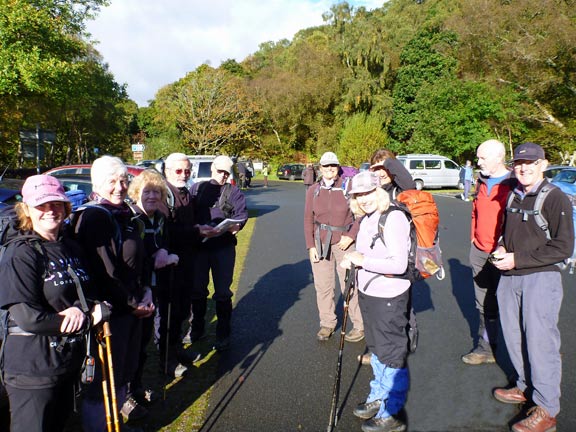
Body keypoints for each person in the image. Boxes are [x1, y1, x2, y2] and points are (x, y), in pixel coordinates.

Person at [0, 175, 105, 432]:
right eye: (41, 204)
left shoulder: (69, 247)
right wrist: (86, 318)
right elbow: (28, 317)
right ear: (26, 209)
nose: (50, 210)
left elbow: (86, 293)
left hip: (67, 362)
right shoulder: (20, 254)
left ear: (66, 207)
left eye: (56, 203)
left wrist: (97, 307)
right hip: (32, 369)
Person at [491, 142, 573, 432]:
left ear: (544, 164)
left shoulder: (555, 198)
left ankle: (547, 409)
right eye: (519, 163)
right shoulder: (514, 195)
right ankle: (526, 387)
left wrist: (518, 258)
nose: (523, 167)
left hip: (541, 278)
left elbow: (563, 247)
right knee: (514, 338)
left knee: (541, 344)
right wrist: (501, 247)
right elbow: (506, 233)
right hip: (510, 277)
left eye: (531, 162)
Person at [74, 156, 155, 431]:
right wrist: (133, 304)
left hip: (131, 309)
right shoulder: (94, 216)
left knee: (123, 372)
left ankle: (116, 423)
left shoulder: (125, 215)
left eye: (123, 180)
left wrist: (146, 292)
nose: (120, 187)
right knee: (102, 380)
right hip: (109, 315)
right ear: (97, 184)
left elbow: (140, 260)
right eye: (112, 181)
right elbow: (106, 274)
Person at [342, 171, 411, 432]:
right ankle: (379, 395)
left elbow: (398, 263)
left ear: (379, 191)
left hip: (389, 296)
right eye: (358, 195)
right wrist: (353, 259)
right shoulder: (369, 219)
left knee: (391, 353)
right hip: (371, 293)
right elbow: (367, 253)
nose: (364, 199)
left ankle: (392, 412)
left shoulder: (392, 218)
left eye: (368, 193)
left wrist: (362, 260)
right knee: (378, 349)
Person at [126, 169, 180, 407]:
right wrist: (157, 259)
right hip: (136, 289)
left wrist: (165, 252)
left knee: (144, 340)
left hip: (154, 286)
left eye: (156, 192)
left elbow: (164, 242)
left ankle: (136, 387)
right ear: (137, 193)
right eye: (146, 192)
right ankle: (126, 393)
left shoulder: (159, 218)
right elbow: (133, 257)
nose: (151, 197)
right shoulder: (132, 220)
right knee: (132, 343)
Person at [462, 139, 516, 365]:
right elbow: (476, 210)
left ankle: (527, 357)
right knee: (484, 303)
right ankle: (486, 349)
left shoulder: (515, 183)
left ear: (498, 158)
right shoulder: (481, 181)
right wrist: (474, 237)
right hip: (481, 251)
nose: (478, 161)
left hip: (507, 255)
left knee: (514, 304)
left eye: (482, 157)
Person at [303, 151, 364, 343]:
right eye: (326, 166)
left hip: (344, 243)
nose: (330, 169)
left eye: (333, 166)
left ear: (338, 168)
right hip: (321, 244)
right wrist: (311, 246)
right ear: (320, 169)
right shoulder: (313, 190)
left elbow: (360, 215)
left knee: (349, 285)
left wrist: (350, 236)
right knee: (323, 286)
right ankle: (327, 323)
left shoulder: (348, 187)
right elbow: (308, 220)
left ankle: (359, 325)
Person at [189, 155, 248, 351]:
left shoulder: (234, 192)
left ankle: (223, 333)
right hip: (199, 248)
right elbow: (187, 215)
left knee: (222, 292)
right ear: (212, 168)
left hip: (223, 248)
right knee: (197, 290)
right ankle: (196, 328)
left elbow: (241, 216)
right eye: (220, 171)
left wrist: (235, 226)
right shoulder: (196, 189)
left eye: (226, 172)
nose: (223, 175)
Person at [159, 153, 201, 375]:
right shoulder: (163, 195)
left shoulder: (186, 193)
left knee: (183, 309)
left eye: (187, 171)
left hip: (187, 262)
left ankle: (177, 351)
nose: (184, 175)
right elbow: (168, 231)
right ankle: (166, 360)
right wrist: (197, 231)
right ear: (167, 171)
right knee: (168, 315)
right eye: (178, 171)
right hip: (169, 266)